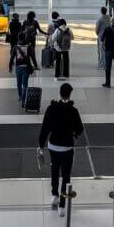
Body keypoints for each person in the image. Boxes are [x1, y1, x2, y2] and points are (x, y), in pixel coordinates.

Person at [38, 83, 85, 217]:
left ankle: (54, 195)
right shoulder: (73, 111)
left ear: (60, 93)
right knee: (66, 176)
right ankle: (62, 206)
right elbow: (80, 129)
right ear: (70, 94)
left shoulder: (51, 108)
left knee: (54, 169)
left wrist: (41, 145)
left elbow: (45, 128)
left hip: (53, 146)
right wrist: (73, 133)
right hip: (67, 147)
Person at [9, 31, 38, 107]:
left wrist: (10, 67)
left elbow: (11, 58)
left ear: (18, 38)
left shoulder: (15, 47)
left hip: (18, 67)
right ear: (25, 38)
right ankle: (24, 99)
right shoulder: (29, 46)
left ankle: (20, 96)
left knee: (19, 84)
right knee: (25, 85)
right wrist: (35, 65)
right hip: (26, 67)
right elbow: (33, 57)